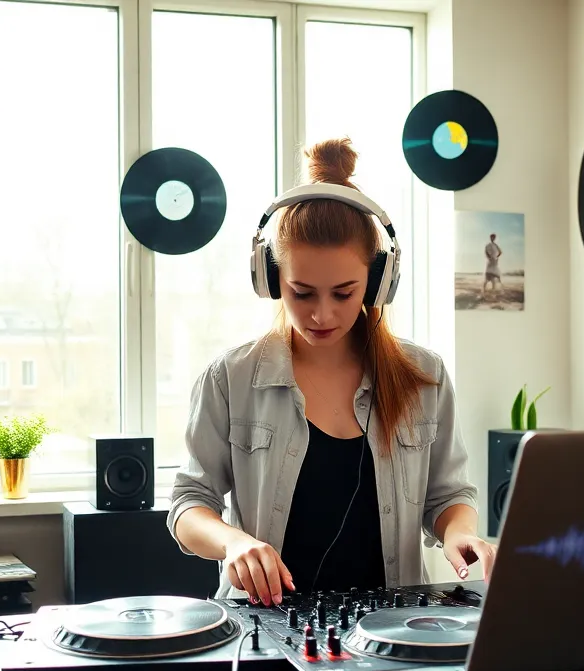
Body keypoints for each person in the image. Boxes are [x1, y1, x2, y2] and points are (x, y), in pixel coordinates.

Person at [169, 138, 494, 606]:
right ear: (271, 278)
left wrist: (460, 533)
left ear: (378, 282)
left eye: (343, 293)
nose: (322, 314)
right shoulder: (230, 378)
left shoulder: (426, 377)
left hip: (394, 629)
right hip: (265, 625)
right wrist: (232, 542)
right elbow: (188, 505)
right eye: (302, 292)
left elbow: (447, 496)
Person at [481, 233, 503, 300]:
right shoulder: (488, 245)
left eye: (494, 237)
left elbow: (500, 252)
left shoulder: (496, 245)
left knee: (495, 278)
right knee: (487, 278)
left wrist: (496, 257)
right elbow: (486, 252)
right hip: (490, 263)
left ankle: (494, 293)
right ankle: (483, 291)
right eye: (492, 237)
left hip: (494, 263)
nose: (493, 238)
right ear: (490, 238)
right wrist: (489, 257)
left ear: (495, 238)